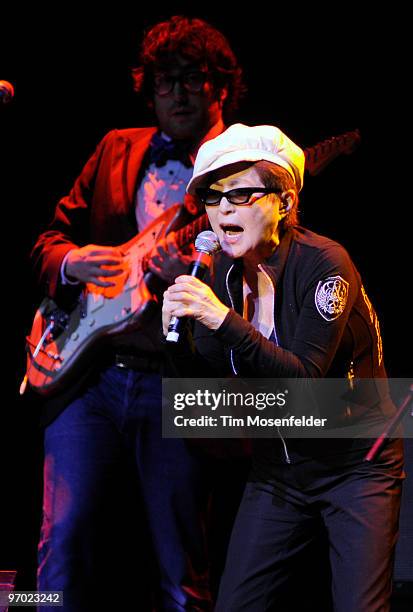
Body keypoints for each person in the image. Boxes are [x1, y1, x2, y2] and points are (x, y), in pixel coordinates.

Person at [30, 15, 244, 611]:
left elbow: (268, 273)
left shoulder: (245, 167)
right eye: (164, 80)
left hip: (176, 380)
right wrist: (72, 262)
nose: (176, 92)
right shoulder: (115, 147)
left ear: (219, 86)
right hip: (88, 378)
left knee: (180, 569)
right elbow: (48, 239)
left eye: (192, 78)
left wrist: (201, 279)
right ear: (147, 88)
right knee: (62, 546)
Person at [162, 123, 404, 612]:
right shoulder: (225, 273)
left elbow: (304, 384)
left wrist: (220, 319)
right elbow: (210, 373)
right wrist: (179, 338)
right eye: (212, 198)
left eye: (241, 194)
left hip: (356, 464)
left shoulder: (326, 264)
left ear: (285, 203)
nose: (222, 209)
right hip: (281, 467)